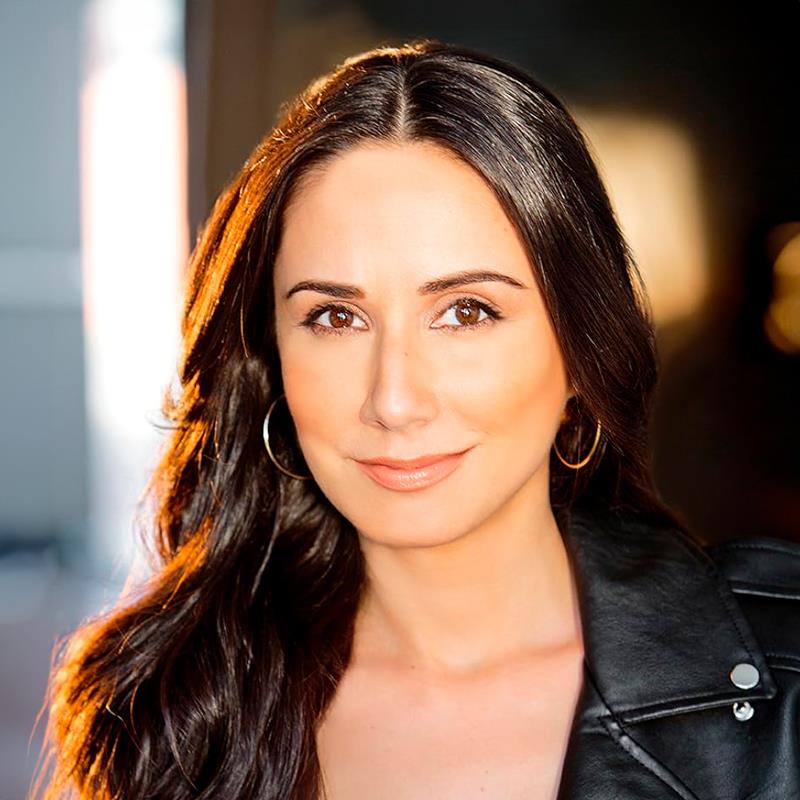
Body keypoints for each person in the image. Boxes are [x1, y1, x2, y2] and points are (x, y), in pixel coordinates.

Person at [34, 39, 800, 800]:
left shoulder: (783, 692)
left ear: (580, 349)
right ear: (271, 358)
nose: (395, 401)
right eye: (335, 317)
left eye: (466, 312)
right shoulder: (175, 713)